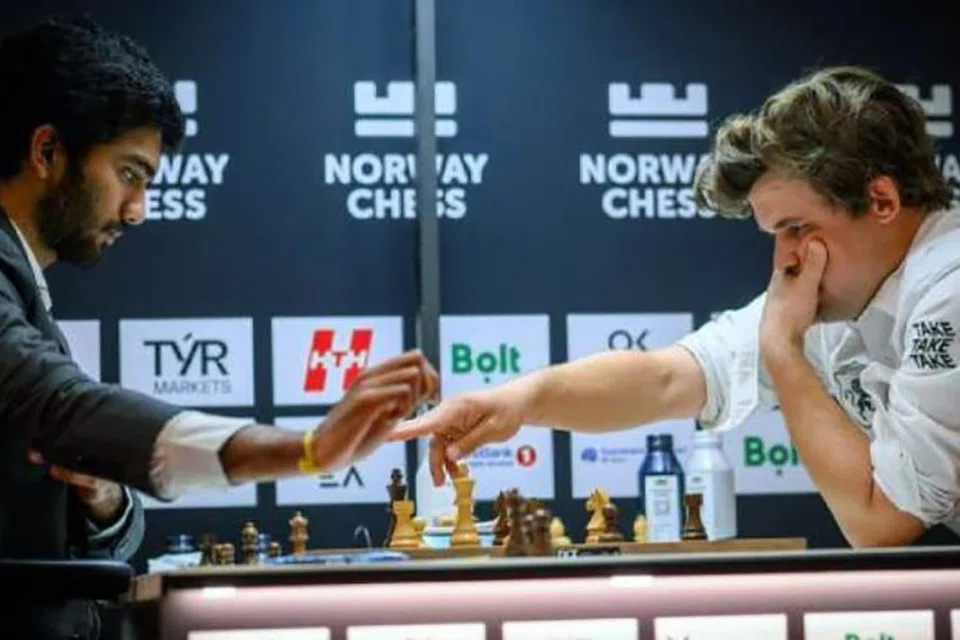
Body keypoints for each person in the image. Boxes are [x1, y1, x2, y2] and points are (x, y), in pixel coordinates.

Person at [390, 65, 960, 549]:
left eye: (796, 228)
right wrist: (515, 402)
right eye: (775, 235)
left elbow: (879, 523)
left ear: (881, 200)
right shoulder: (833, 288)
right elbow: (666, 379)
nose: (784, 260)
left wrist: (782, 353)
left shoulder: (948, 286)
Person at [0, 15, 437, 639]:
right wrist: (305, 450)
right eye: (129, 174)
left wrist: (103, 494)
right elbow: (58, 404)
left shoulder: (23, 287)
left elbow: (79, 499)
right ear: (47, 152)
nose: (137, 211)